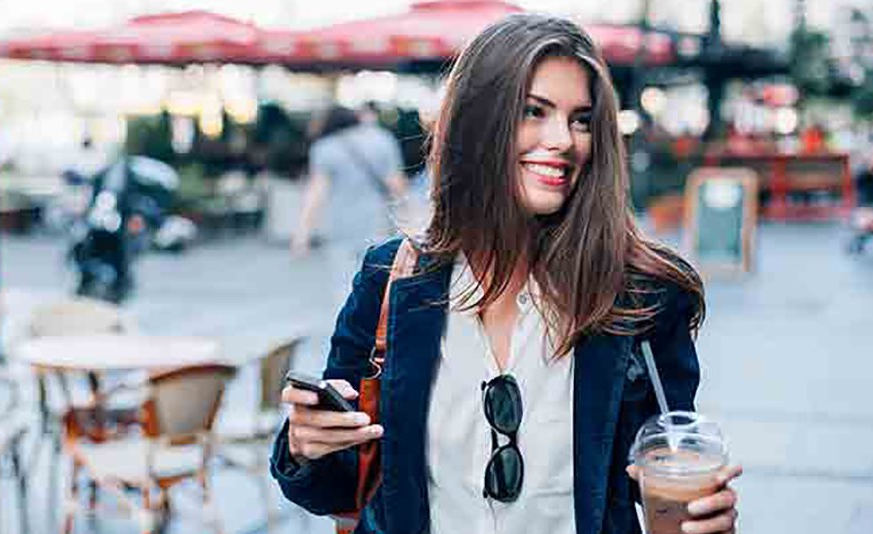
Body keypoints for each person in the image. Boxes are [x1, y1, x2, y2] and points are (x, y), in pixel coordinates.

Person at [272, 14, 740, 534]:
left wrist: (703, 519)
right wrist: (304, 445)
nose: (564, 139)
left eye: (581, 119)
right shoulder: (390, 280)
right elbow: (334, 487)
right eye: (533, 112)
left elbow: (659, 473)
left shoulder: (640, 297)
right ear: (477, 124)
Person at [291, 105, 408, 258]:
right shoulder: (383, 140)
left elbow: (316, 193)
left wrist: (303, 233)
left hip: (340, 224)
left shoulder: (325, 148)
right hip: (378, 222)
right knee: (375, 275)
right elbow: (397, 185)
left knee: (343, 278)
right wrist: (408, 220)